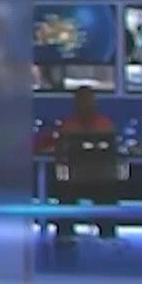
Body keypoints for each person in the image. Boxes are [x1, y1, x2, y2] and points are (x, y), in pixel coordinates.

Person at [53, 86, 120, 239]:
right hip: (103, 182)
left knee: (64, 192)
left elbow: (59, 154)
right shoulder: (106, 125)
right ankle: (107, 235)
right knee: (108, 195)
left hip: (75, 182)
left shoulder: (68, 126)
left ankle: (65, 236)